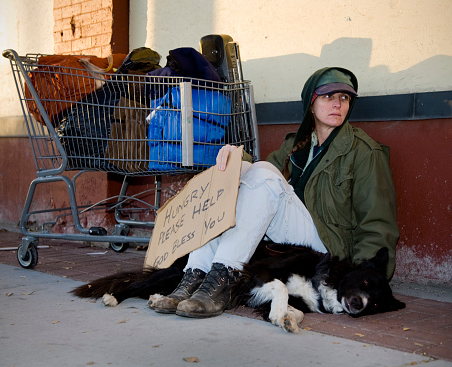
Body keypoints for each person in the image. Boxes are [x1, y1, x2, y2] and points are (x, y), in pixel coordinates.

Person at [149, 67, 399, 318]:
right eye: (328, 96)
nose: (337, 104)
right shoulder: (296, 144)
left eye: (344, 98)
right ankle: (194, 275)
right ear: (311, 104)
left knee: (264, 175)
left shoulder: (365, 152)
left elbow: (377, 222)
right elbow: (259, 181)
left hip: (326, 252)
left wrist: (366, 275)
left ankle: (224, 278)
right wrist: (236, 159)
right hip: (294, 244)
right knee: (243, 174)